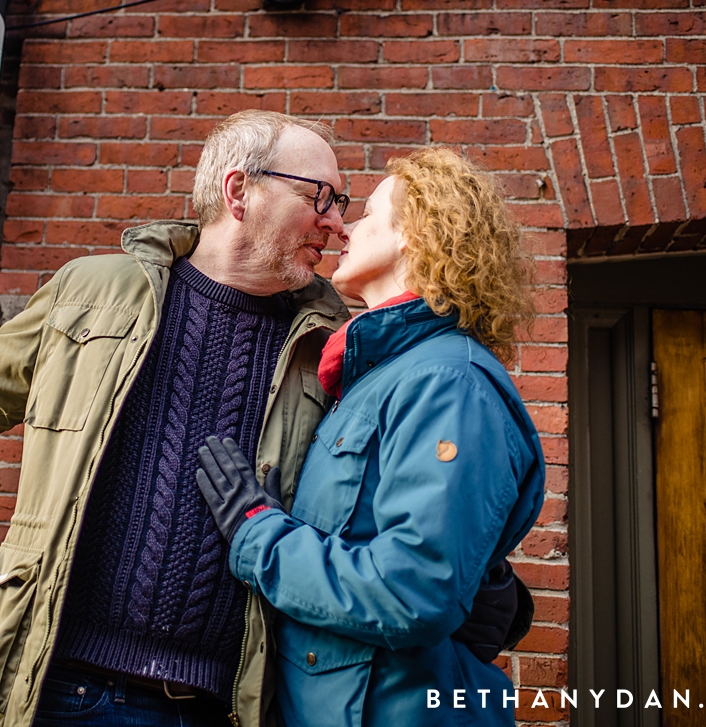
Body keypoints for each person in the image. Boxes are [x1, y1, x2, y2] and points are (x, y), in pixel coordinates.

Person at [0, 114, 519, 727]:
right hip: (55, 681)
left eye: (345, 204)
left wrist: (490, 585)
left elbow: (385, 498)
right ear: (239, 191)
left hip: (219, 702)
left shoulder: (330, 347)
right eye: (320, 196)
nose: (335, 222)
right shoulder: (99, 291)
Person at [196, 147, 544, 727]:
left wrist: (260, 535)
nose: (343, 228)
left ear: (415, 234)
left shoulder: (447, 382)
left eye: (369, 213)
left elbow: (413, 593)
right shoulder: (382, 375)